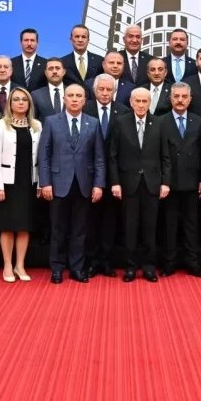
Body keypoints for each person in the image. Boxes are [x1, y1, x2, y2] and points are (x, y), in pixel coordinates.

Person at [38, 84, 106, 283]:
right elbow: (44, 155)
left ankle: (77, 268)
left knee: (80, 230)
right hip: (57, 184)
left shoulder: (93, 123)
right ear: (64, 99)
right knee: (58, 229)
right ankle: (57, 268)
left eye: (78, 96)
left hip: (84, 185)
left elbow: (99, 157)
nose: (74, 99)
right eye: (71, 95)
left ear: (85, 100)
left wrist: (98, 184)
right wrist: (45, 183)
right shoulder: (51, 121)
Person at [109, 88, 172, 282]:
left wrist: (166, 182)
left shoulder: (159, 123)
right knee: (130, 228)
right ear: (131, 102)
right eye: (138, 101)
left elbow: (165, 156)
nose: (141, 105)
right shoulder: (120, 122)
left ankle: (149, 267)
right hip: (128, 184)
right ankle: (130, 267)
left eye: (145, 101)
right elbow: (113, 155)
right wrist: (115, 182)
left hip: (152, 184)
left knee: (150, 228)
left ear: (150, 103)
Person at [0, 88, 43, 282]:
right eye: (16, 99)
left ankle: (20, 265)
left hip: (28, 183)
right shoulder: (0, 125)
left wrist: (40, 183)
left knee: (24, 226)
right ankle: (7, 265)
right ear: (9, 103)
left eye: (24, 100)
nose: (20, 103)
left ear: (29, 104)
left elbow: (41, 158)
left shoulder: (36, 125)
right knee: (7, 226)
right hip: (8, 184)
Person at [84, 74, 130, 277]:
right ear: (94, 91)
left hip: (114, 176)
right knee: (90, 221)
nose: (104, 93)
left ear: (114, 91)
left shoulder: (124, 112)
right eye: (101, 89)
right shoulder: (84, 110)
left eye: (108, 90)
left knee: (110, 222)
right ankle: (91, 261)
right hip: (88, 175)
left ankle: (106, 261)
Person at [160, 82, 201, 277]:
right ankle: (169, 262)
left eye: (184, 96)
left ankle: (192, 262)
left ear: (190, 99)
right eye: (176, 96)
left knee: (191, 225)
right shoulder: (161, 121)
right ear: (170, 98)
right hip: (169, 182)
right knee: (169, 225)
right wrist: (163, 181)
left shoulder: (200, 122)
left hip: (192, 182)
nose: (180, 100)